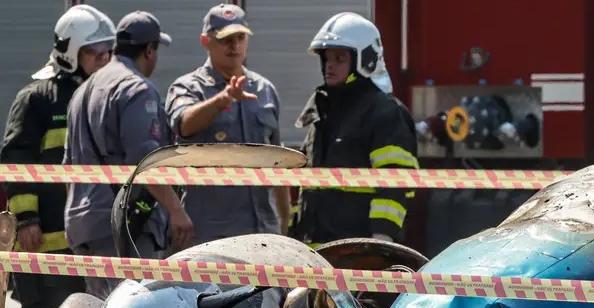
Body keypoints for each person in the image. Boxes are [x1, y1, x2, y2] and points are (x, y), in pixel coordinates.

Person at [57, 11, 194, 308]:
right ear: (149, 50)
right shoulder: (136, 89)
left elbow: (66, 165)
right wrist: (175, 210)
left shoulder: (84, 89)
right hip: (121, 226)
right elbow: (145, 160)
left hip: (83, 218)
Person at [0, 5, 116, 308]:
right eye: (93, 53)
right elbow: (14, 162)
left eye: (106, 52)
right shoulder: (37, 98)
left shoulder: (99, 97)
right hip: (40, 240)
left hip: (81, 243)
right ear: (69, 52)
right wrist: (26, 217)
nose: (101, 61)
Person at [165, 4, 290, 246]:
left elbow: (279, 162)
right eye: (225, 39)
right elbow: (183, 124)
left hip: (262, 231)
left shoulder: (265, 90)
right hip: (210, 236)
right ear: (205, 41)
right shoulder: (188, 87)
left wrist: (284, 224)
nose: (234, 46)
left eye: (240, 37)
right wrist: (223, 99)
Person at [294, 12, 418, 247]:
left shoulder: (385, 113)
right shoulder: (322, 111)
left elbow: (396, 181)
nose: (329, 66)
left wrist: (382, 238)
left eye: (339, 58)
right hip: (314, 248)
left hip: (359, 250)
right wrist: (295, 232)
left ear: (365, 60)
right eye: (327, 58)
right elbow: (306, 182)